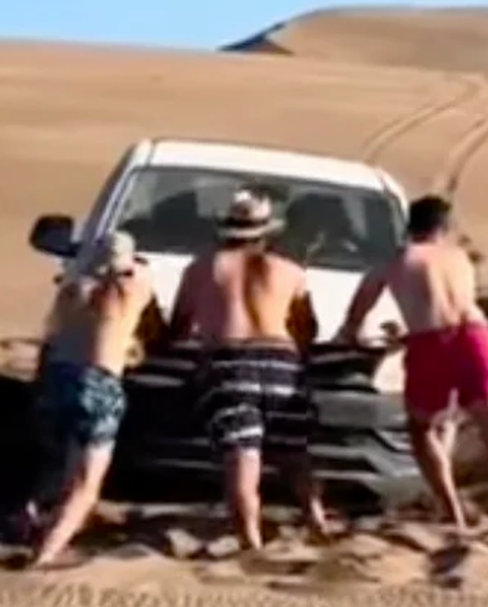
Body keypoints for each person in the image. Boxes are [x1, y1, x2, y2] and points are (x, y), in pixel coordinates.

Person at [335, 194, 488, 540]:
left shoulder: (399, 258)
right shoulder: (460, 257)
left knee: (421, 428)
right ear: (444, 227)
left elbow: (364, 300)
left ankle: (452, 511)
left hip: (429, 342)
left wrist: (351, 332)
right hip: (475, 336)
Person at [169, 188, 328, 549]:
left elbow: (178, 326)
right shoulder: (290, 271)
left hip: (229, 362)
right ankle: (317, 518)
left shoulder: (202, 267)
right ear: (268, 232)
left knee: (242, 455)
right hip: (281, 361)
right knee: (295, 452)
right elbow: (307, 329)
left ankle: (250, 539)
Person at [21, 232, 155, 569]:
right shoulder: (130, 290)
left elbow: (50, 336)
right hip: (99, 381)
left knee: (58, 462)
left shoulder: (72, 290)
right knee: (86, 486)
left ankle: (31, 517)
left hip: (58, 376)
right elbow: (152, 321)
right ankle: (47, 554)